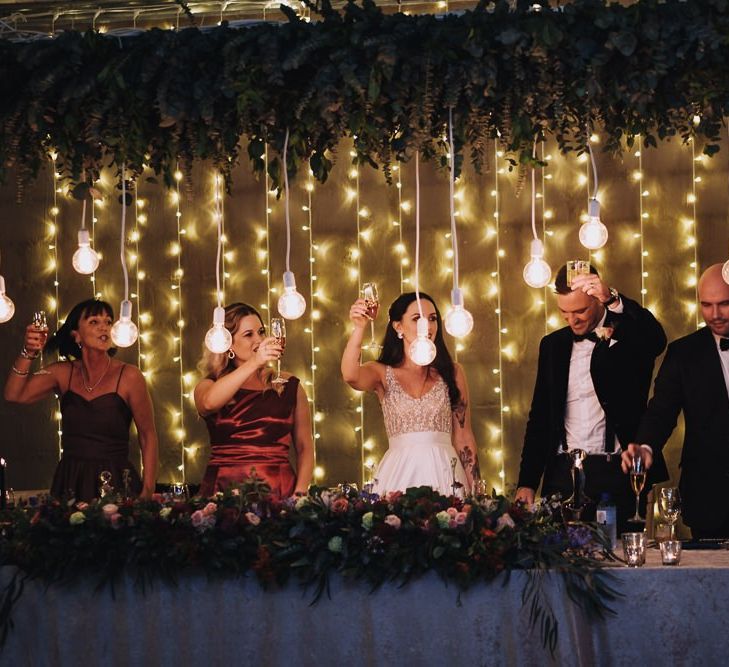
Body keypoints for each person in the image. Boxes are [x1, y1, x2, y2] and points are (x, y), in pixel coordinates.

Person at [515, 264, 667, 533]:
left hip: (616, 474)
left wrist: (614, 299)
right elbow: (540, 417)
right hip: (562, 477)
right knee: (559, 568)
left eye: (580, 311)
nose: (572, 320)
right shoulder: (552, 346)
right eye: (564, 312)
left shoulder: (628, 333)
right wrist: (527, 481)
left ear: (598, 300)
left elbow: (656, 339)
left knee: (622, 568)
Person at [3, 299, 158, 501]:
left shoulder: (129, 376)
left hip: (115, 480)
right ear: (76, 334)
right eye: (94, 321)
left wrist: (148, 489)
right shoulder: (62, 372)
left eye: (109, 321)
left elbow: (148, 435)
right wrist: (28, 352)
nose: (104, 326)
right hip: (71, 479)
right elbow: (14, 394)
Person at [625, 264, 729, 539]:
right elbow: (660, 411)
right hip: (711, 496)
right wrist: (646, 446)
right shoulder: (684, 353)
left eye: (724, 304)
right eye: (706, 305)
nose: (715, 314)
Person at [341, 291, 480, 496]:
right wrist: (359, 327)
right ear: (398, 327)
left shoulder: (453, 371)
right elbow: (350, 375)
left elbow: (463, 436)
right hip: (399, 473)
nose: (428, 325)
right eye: (417, 319)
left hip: (446, 474)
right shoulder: (382, 372)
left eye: (432, 318)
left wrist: (478, 490)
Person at [194, 303, 314, 499]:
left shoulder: (288, 385)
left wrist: (300, 495)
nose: (259, 340)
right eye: (249, 334)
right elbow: (208, 403)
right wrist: (254, 362)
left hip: (279, 491)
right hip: (223, 493)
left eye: (261, 332)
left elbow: (305, 447)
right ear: (228, 343)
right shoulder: (209, 385)